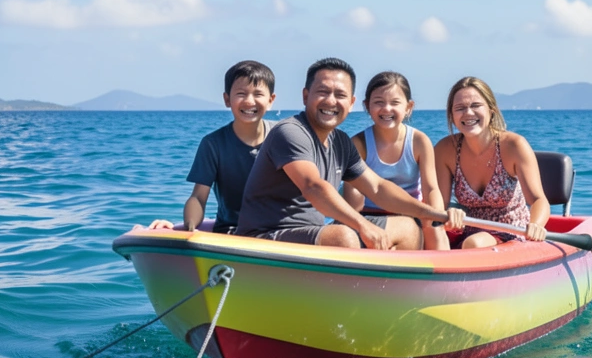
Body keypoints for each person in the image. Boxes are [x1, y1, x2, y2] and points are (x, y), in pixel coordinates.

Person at [236, 58, 462, 249]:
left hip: (310, 234)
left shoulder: (341, 142)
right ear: (306, 96)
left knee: (408, 228)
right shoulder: (290, 132)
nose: (331, 101)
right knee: (343, 237)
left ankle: (391, 297)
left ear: (352, 102)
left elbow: (378, 188)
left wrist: (433, 214)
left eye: (340, 95)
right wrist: (363, 225)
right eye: (323, 92)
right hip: (265, 238)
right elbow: (314, 187)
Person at [149, 60, 277, 233]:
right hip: (232, 231)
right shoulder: (213, 144)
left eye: (257, 94)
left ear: (270, 100)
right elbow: (198, 197)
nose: (249, 101)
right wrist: (188, 226)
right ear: (227, 99)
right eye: (241, 93)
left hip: (279, 230)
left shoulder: (283, 136)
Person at [433, 76, 550, 248]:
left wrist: (536, 226)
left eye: (475, 105)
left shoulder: (514, 146)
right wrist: (448, 215)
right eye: (460, 108)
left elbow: (539, 200)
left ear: (491, 110)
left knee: (474, 243)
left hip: (512, 234)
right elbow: (438, 206)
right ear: (452, 116)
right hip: (469, 234)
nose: (468, 113)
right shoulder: (445, 149)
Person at [342, 71, 450, 250]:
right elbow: (353, 202)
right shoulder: (358, 144)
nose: (386, 109)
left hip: (413, 213)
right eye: (378, 102)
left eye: (395, 103)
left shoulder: (419, 141)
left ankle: (444, 272)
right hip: (372, 216)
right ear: (367, 106)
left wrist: (436, 218)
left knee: (434, 229)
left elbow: (431, 188)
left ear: (408, 107)